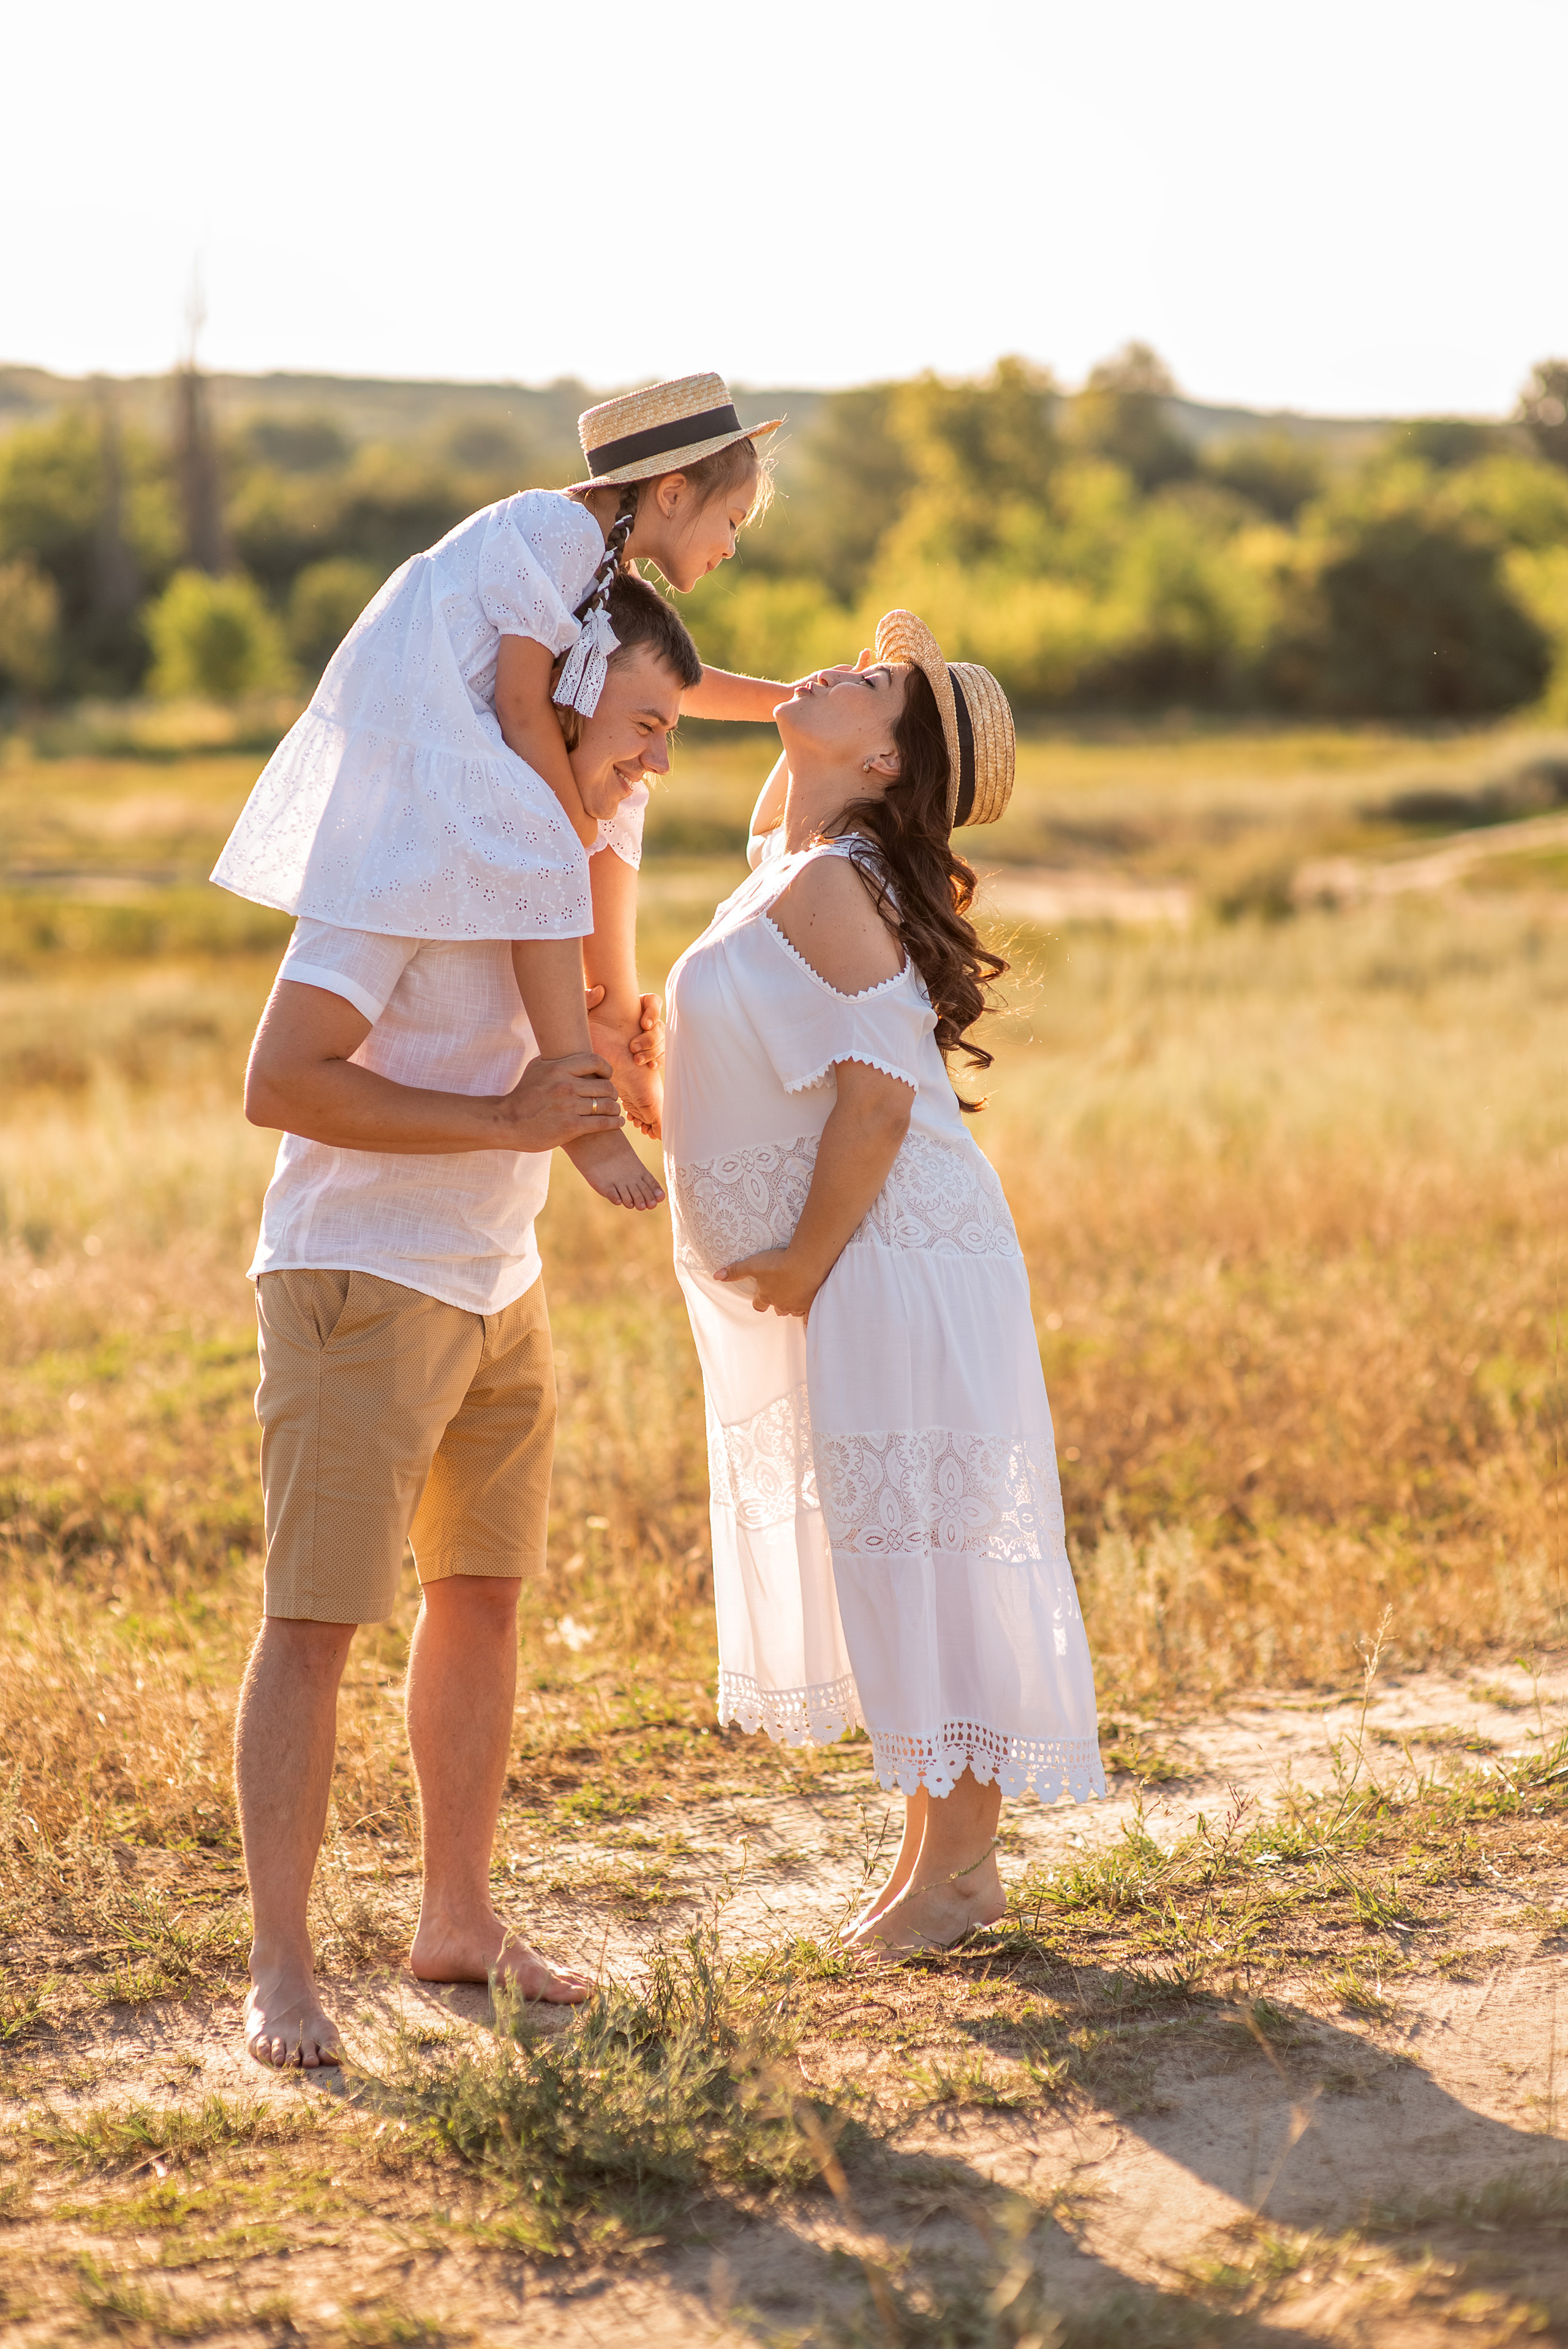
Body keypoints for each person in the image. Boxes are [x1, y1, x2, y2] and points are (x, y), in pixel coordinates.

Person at [230, 575, 701, 2070]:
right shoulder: (409, 850)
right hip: (362, 1277)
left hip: (500, 1279)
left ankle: (455, 1920)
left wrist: (633, 1064)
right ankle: (282, 1971)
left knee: (480, 1600)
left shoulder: (562, 859)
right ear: (552, 695)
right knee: (315, 1627)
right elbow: (282, 1078)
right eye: (639, 723)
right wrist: (500, 1117)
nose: (655, 760)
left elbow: (578, 1074)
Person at [663, 611, 1105, 1956]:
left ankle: (959, 1871)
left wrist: (800, 1259)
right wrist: (865, 696)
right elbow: (786, 797)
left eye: (871, 688)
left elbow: (873, 1104)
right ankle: (935, 1857)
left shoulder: (825, 885)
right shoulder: (794, 862)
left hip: (888, 1249)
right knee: (889, 1541)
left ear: (887, 770)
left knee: (926, 1545)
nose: (833, 672)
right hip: (876, 1252)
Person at [213, 372, 791, 1199]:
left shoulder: (596, 566)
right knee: (559, 840)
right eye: (732, 521)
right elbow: (523, 701)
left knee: (615, 803)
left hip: (468, 739)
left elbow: (660, 688)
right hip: (436, 742)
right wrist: (565, 832)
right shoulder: (560, 530)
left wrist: (788, 701)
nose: (732, 544)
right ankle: (584, 1113)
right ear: (671, 492)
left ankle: (611, 1014)